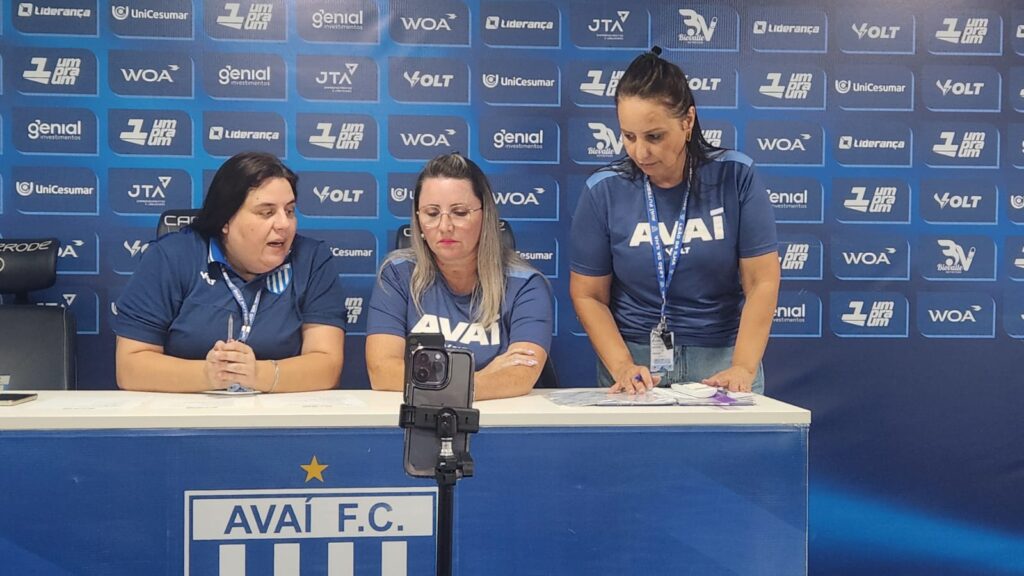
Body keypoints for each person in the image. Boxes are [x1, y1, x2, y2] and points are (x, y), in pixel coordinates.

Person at [570, 47, 780, 395]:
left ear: (687, 121)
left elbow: (762, 281)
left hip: (723, 360)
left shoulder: (735, 176)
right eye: (629, 136)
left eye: (654, 136)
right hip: (635, 366)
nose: (640, 152)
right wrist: (622, 366)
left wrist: (743, 366)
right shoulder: (603, 190)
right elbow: (588, 294)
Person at [113, 151, 347, 393]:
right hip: (187, 412)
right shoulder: (171, 257)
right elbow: (130, 366)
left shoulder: (311, 259)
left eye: (289, 211)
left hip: (277, 412)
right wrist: (208, 375)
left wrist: (258, 374)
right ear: (225, 220)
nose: (284, 224)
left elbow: (327, 365)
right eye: (266, 212)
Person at [366, 153, 553, 400]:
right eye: (432, 213)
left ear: (485, 216)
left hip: (499, 418)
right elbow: (382, 372)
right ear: (418, 220)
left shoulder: (525, 284)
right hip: (420, 416)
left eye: (460, 212)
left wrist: (430, 381)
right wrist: (480, 378)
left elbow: (521, 376)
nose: (445, 226)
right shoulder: (396, 274)